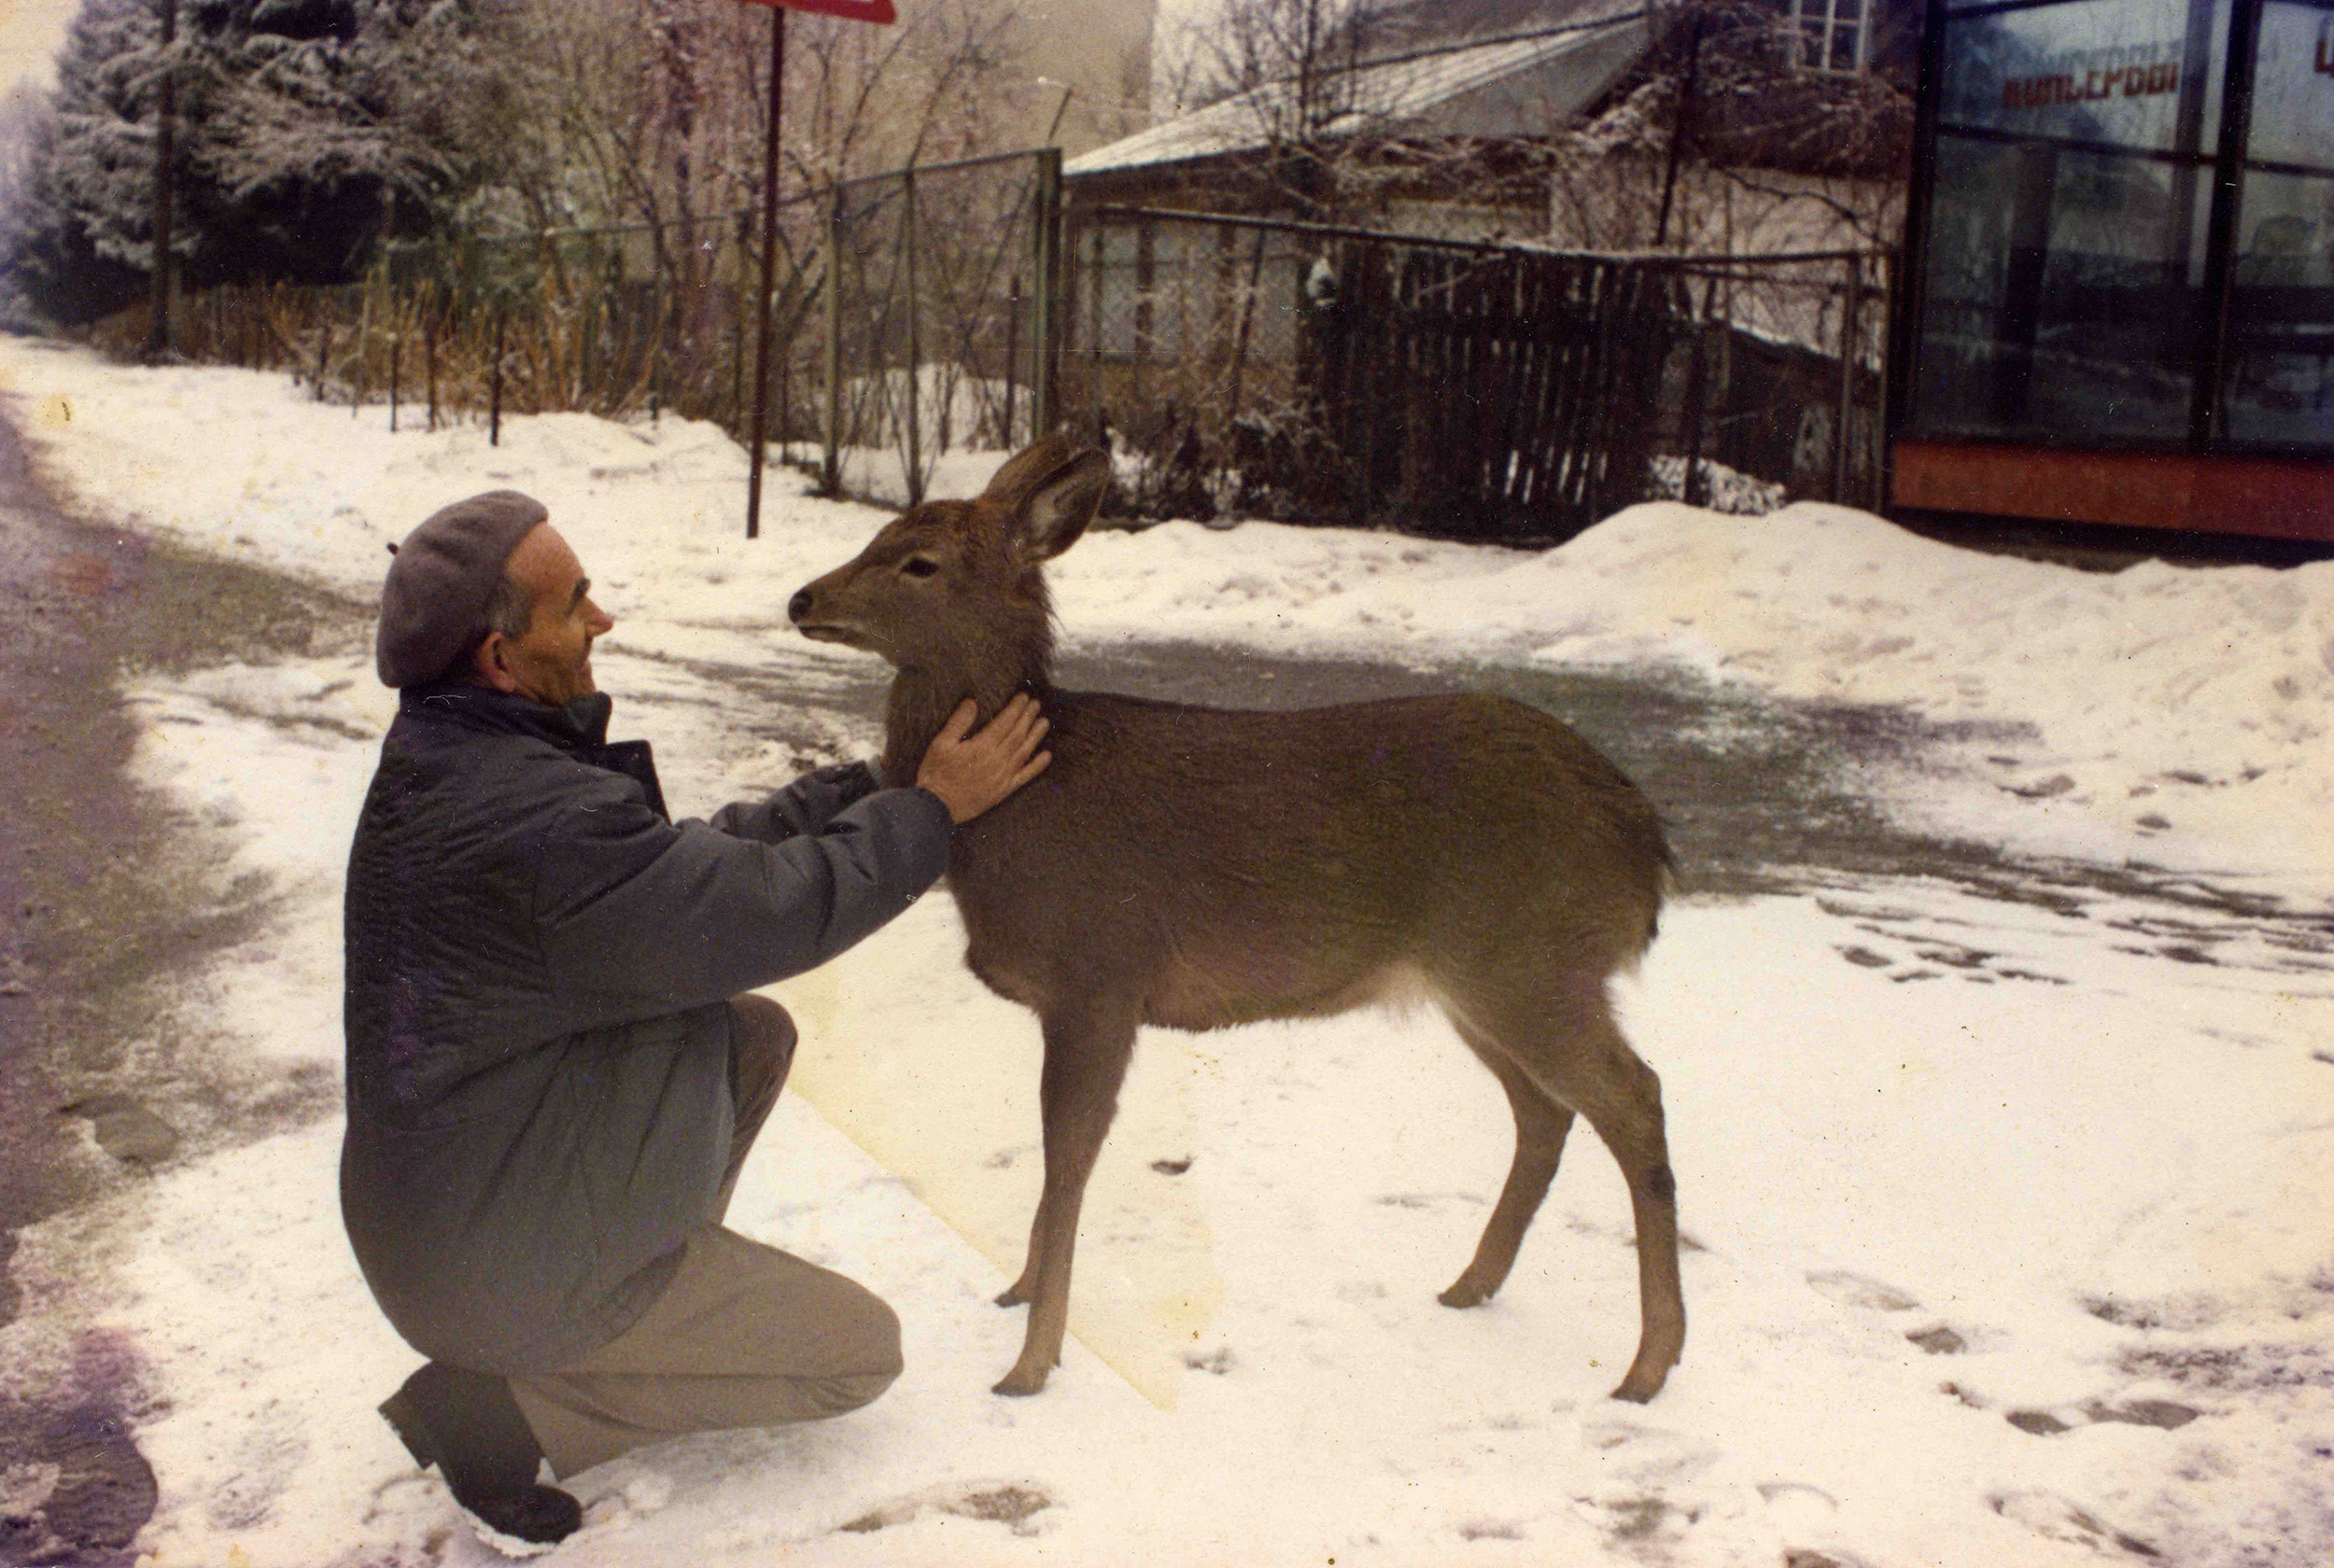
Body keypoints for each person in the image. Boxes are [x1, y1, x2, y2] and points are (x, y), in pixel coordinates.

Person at [342, 491, 1048, 1546]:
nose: (602, 621)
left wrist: (877, 782)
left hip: (450, 1210)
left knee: (745, 1037)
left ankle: (623, 1316)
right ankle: (508, 1401)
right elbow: (766, 910)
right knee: (857, 1353)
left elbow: (685, 872)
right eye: (575, 604)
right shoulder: (531, 817)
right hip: (484, 1262)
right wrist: (931, 813)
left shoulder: (464, 762)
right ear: (500, 656)